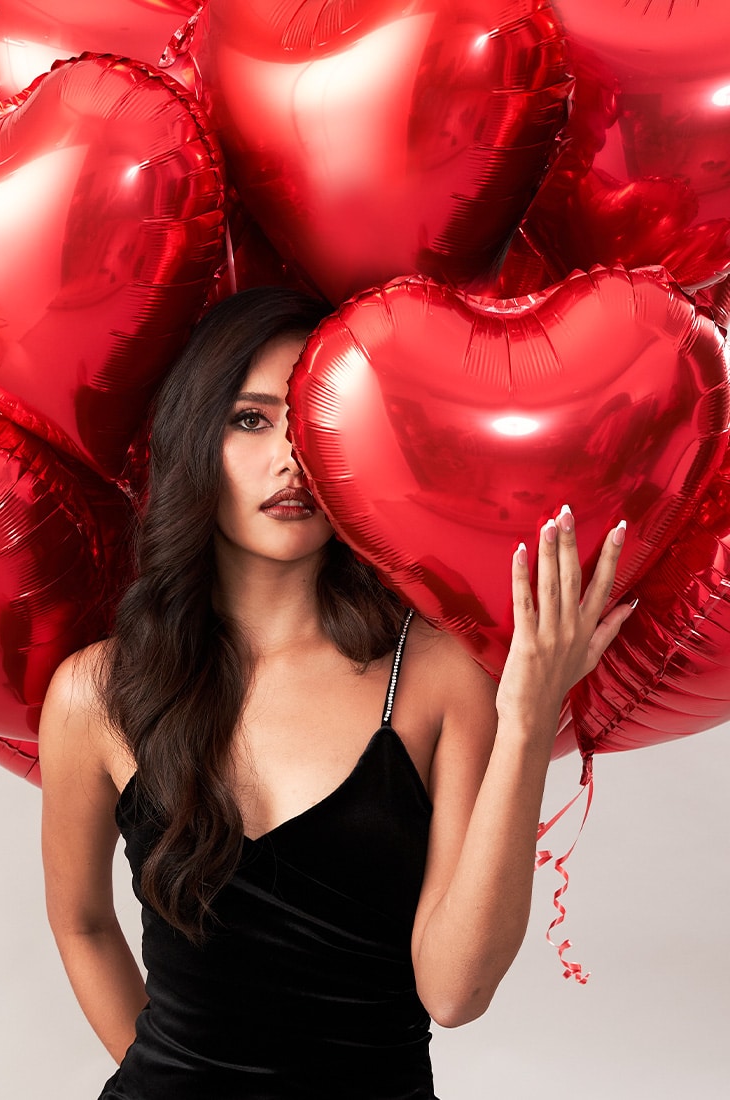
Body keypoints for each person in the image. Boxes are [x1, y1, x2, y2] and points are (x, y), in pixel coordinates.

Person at [39, 287, 634, 1099]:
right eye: (250, 419)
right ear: (193, 441)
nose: (291, 456)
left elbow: (455, 993)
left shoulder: (435, 675)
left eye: (312, 417)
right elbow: (81, 923)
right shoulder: (95, 693)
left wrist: (528, 722)